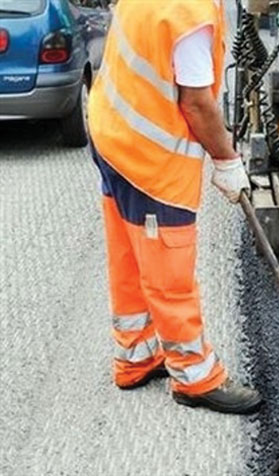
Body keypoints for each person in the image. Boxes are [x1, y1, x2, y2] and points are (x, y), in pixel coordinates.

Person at [87, 0, 262, 414]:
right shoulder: (190, 16)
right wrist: (227, 160)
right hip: (149, 160)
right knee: (169, 274)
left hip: (112, 135)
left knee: (129, 258)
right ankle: (195, 376)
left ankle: (137, 356)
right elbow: (197, 104)